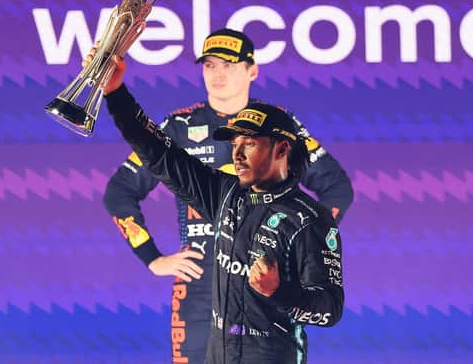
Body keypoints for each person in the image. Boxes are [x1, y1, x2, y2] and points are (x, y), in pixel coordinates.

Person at [102, 28, 353, 363]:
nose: (236, 154)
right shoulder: (223, 194)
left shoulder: (308, 221)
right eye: (233, 143)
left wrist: (283, 283)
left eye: (247, 143)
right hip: (203, 298)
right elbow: (157, 155)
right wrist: (115, 92)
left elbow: (329, 310)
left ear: (281, 148)